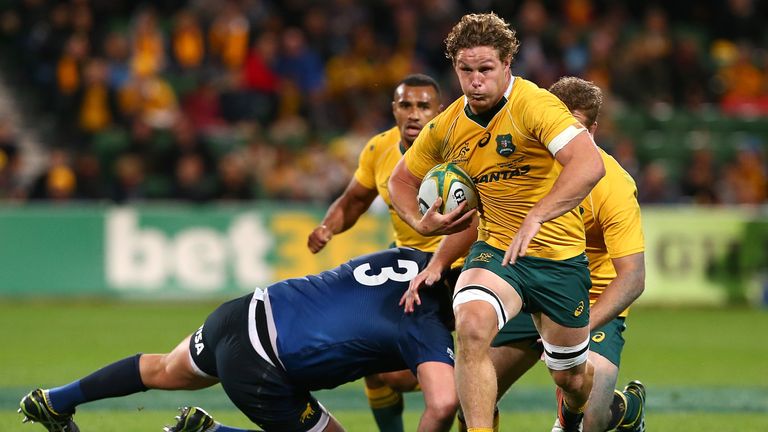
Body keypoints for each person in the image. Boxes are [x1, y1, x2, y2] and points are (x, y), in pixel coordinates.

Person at [388, 13, 605, 432]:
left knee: (571, 378)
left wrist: (539, 215)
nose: (475, 81)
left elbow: (588, 163)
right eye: (465, 70)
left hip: (559, 259)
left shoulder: (536, 105)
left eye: (485, 69)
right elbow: (401, 179)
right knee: (470, 326)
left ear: (508, 64)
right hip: (497, 252)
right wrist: (420, 221)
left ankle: (571, 411)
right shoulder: (447, 125)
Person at [18, 247, 458, 432]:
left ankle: (55, 400)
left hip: (241, 313)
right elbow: (441, 404)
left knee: (164, 370)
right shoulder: (425, 327)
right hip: (265, 369)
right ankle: (211, 431)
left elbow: (364, 330)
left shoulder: (409, 258)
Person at [483, 77, 646, 432]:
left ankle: (622, 410)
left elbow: (633, 277)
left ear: (594, 131)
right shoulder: (520, 168)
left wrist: (578, 331)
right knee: (474, 394)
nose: (564, 139)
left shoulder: (613, 185)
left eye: (575, 129)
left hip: (588, 302)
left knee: (593, 419)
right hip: (528, 292)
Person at [307, 73, 455, 432]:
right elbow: (353, 200)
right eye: (406, 105)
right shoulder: (379, 149)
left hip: (455, 266)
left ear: (440, 111)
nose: (414, 114)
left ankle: (464, 377)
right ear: (394, 109)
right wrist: (328, 226)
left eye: (424, 106)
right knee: (373, 363)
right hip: (405, 265)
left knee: (407, 376)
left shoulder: (457, 147)